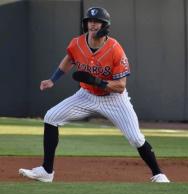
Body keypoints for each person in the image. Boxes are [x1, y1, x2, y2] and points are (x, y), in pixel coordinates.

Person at [19, 7, 170, 183]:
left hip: (114, 99)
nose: (92, 24)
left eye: (97, 21)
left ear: (105, 26)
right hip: (86, 95)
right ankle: (46, 171)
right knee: (51, 117)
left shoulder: (115, 49)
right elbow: (69, 59)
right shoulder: (77, 43)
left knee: (136, 138)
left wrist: (97, 82)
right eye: (89, 21)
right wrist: (53, 79)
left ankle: (158, 174)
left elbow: (121, 86)